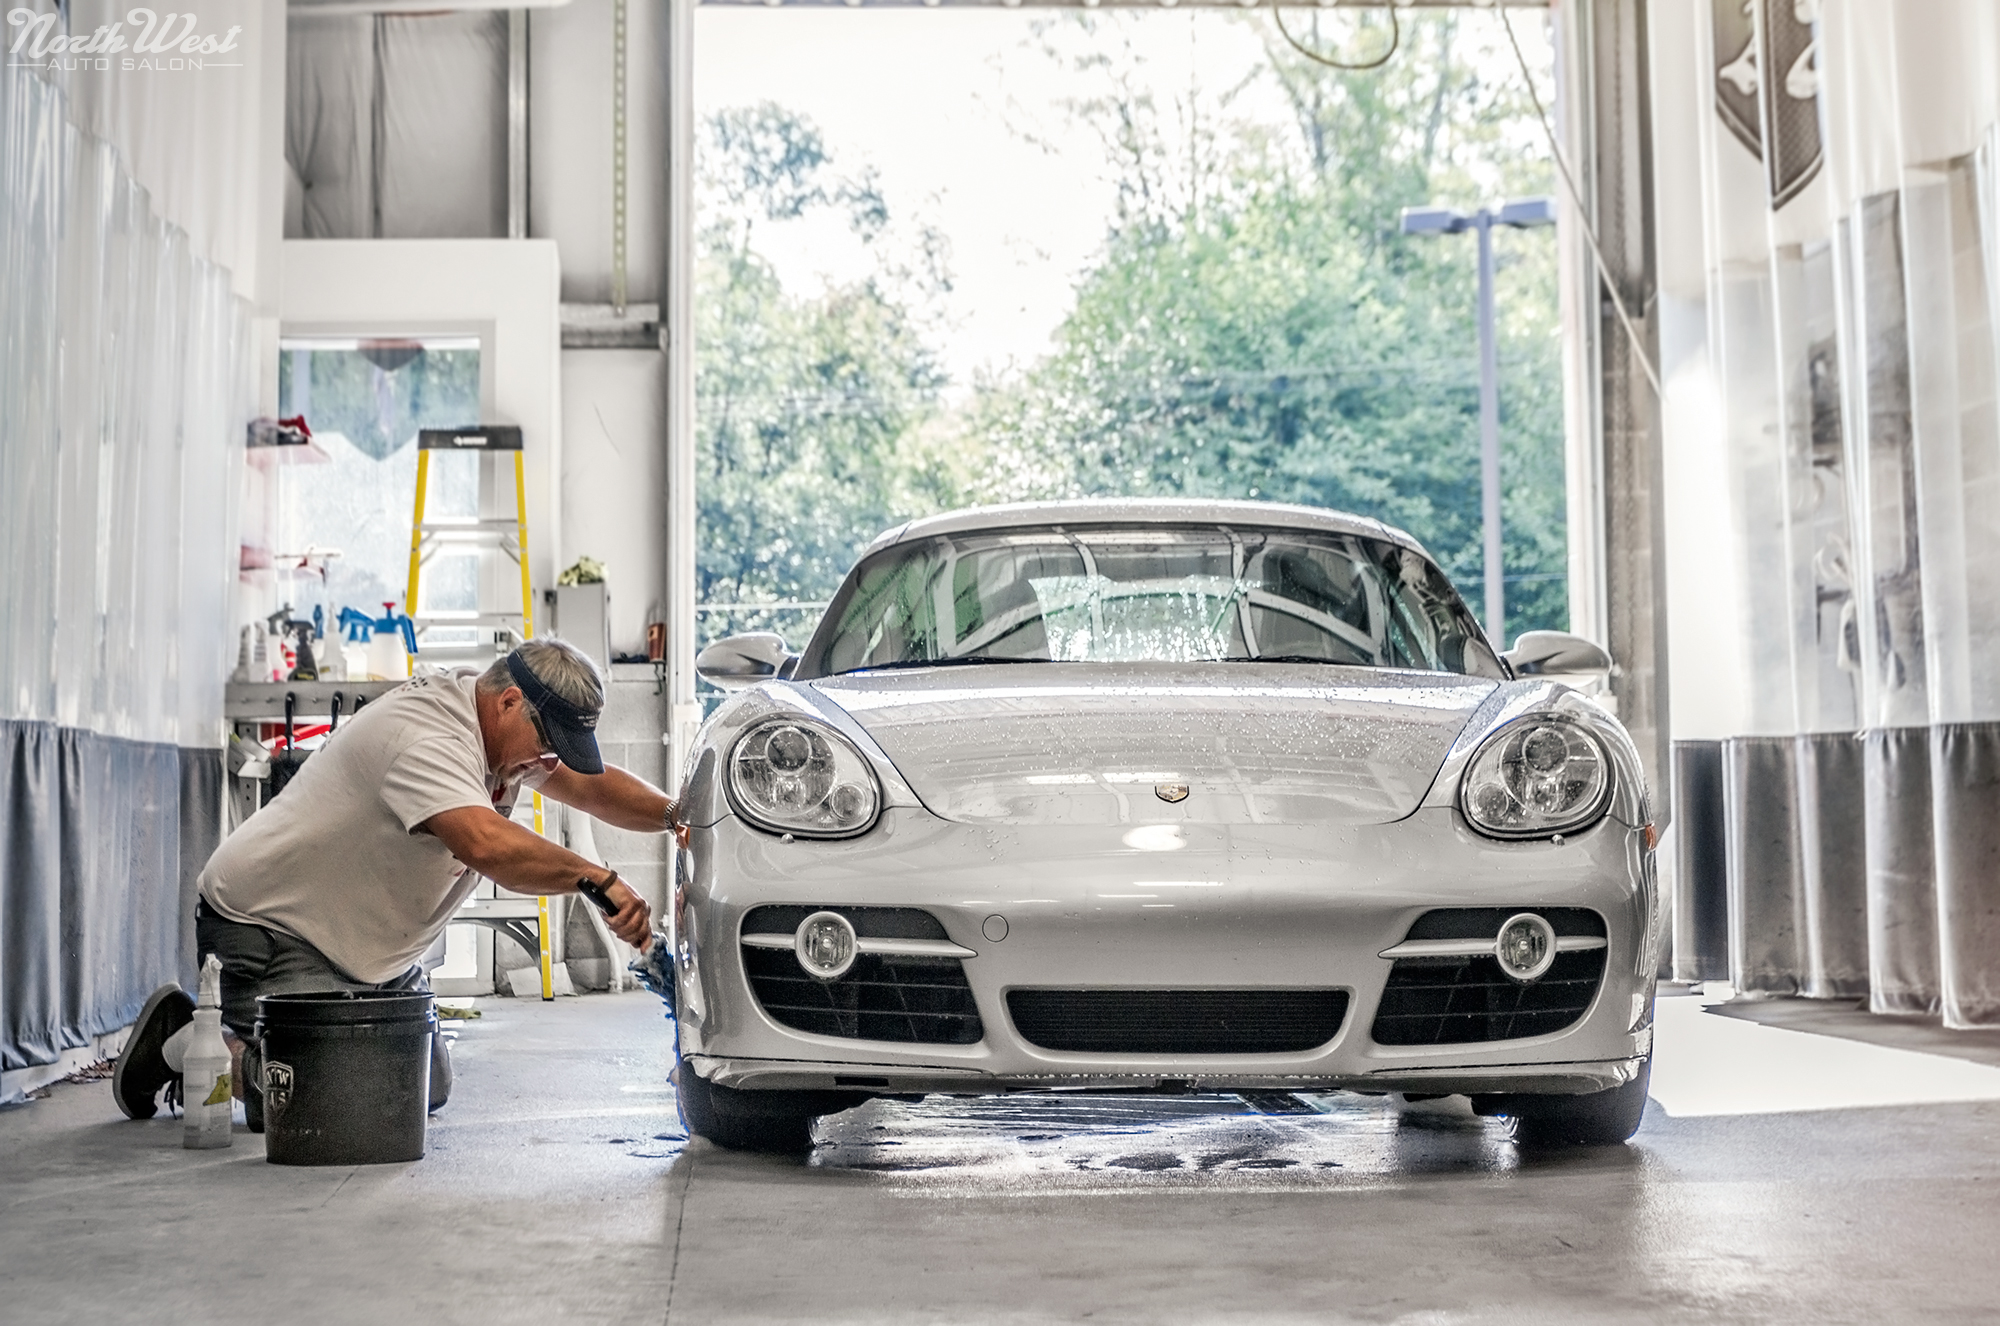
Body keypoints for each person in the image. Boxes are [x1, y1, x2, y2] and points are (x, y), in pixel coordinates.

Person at [112, 638, 673, 1124]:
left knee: (416, 1091)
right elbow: (483, 843)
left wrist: (682, 820)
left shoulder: (504, 735)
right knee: (316, 1097)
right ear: (509, 703)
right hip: (273, 927)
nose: (550, 760)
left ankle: (257, 1040)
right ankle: (183, 1040)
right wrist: (595, 878)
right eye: (547, 743)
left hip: (364, 951)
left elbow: (592, 787)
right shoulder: (428, 736)